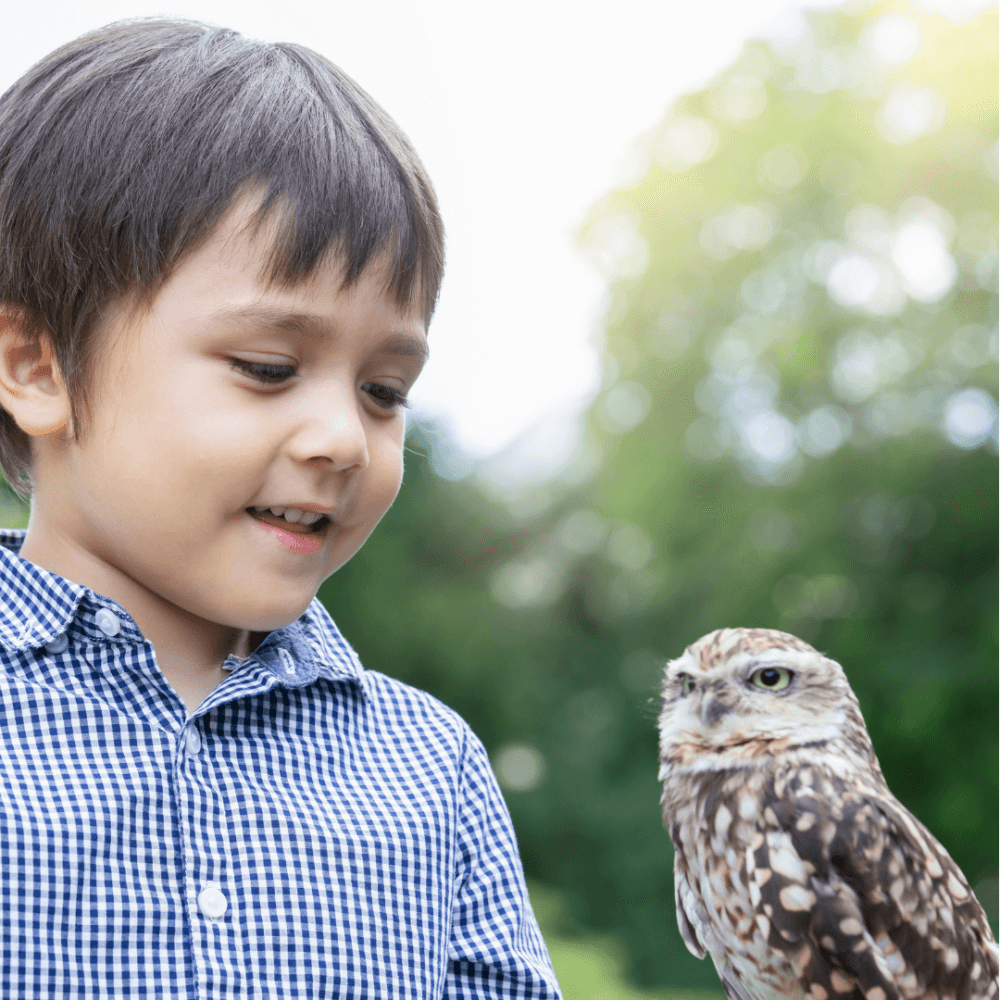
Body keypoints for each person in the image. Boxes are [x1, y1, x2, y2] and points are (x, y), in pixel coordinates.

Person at [0, 18, 560, 997]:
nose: (343, 438)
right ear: (36, 365)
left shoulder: (430, 771)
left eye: (384, 392)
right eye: (268, 368)